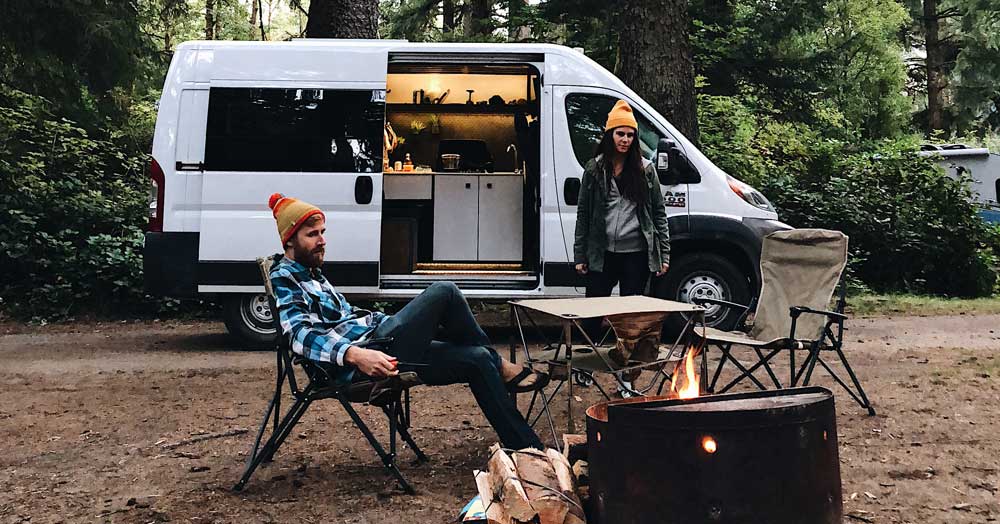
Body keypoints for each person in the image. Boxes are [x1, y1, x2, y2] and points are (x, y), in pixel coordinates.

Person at [266, 192, 547, 450]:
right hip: (368, 362)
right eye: (312, 234)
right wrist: (355, 354)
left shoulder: (313, 273)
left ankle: (529, 450)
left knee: (477, 359)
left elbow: (348, 317)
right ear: (290, 239)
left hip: (381, 342)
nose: (322, 240)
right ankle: (502, 367)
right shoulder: (286, 277)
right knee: (445, 291)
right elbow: (298, 334)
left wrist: (405, 323)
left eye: (322, 233)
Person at [572, 100, 672, 385]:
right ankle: (584, 366)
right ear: (609, 135)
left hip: (635, 254)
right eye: (620, 134)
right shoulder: (595, 169)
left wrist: (663, 254)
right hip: (602, 253)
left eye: (630, 135)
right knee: (593, 311)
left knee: (631, 319)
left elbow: (658, 214)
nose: (625, 140)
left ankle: (627, 377)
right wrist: (581, 254)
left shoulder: (645, 170)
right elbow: (584, 215)